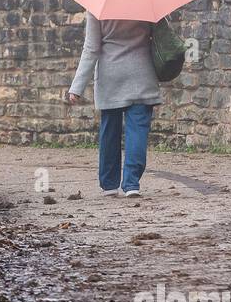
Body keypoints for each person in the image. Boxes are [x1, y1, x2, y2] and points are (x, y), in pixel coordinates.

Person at [67, 12, 161, 197]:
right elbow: (160, 38)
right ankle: (131, 183)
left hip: (111, 77)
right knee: (138, 131)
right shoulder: (147, 0)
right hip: (142, 74)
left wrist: (76, 87)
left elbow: (92, 48)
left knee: (109, 131)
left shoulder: (98, 6)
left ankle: (109, 184)